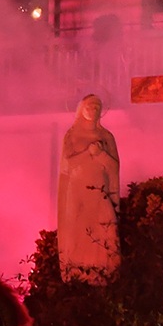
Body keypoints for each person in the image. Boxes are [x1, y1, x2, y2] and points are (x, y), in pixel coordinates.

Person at [57, 94, 120, 284]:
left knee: (106, 228)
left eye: (97, 106)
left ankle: (105, 275)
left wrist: (100, 154)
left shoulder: (106, 137)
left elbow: (113, 167)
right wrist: (88, 153)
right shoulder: (72, 135)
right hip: (77, 191)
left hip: (100, 191)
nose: (93, 110)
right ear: (81, 110)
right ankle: (77, 276)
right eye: (89, 106)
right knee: (78, 231)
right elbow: (68, 165)